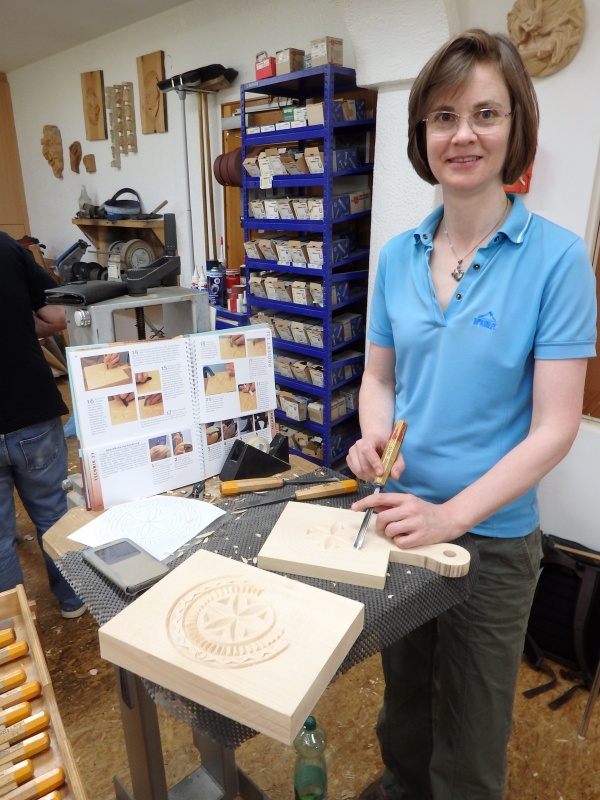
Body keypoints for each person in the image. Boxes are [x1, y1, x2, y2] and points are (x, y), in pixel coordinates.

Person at [347, 29, 596, 800]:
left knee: (472, 732)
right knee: (404, 709)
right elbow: (379, 378)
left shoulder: (556, 259)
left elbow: (555, 427)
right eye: (444, 116)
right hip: (400, 520)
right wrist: (374, 433)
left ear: (515, 128)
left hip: (491, 540)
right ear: (422, 133)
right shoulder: (397, 256)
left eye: (485, 114)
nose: (463, 135)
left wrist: (451, 516)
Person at [0, 232, 85, 618]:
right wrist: (17, 324)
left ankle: (14, 627)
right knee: (53, 514)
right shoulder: (6, 247)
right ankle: (72, 600)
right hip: (30, 407)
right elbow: (56, 315)